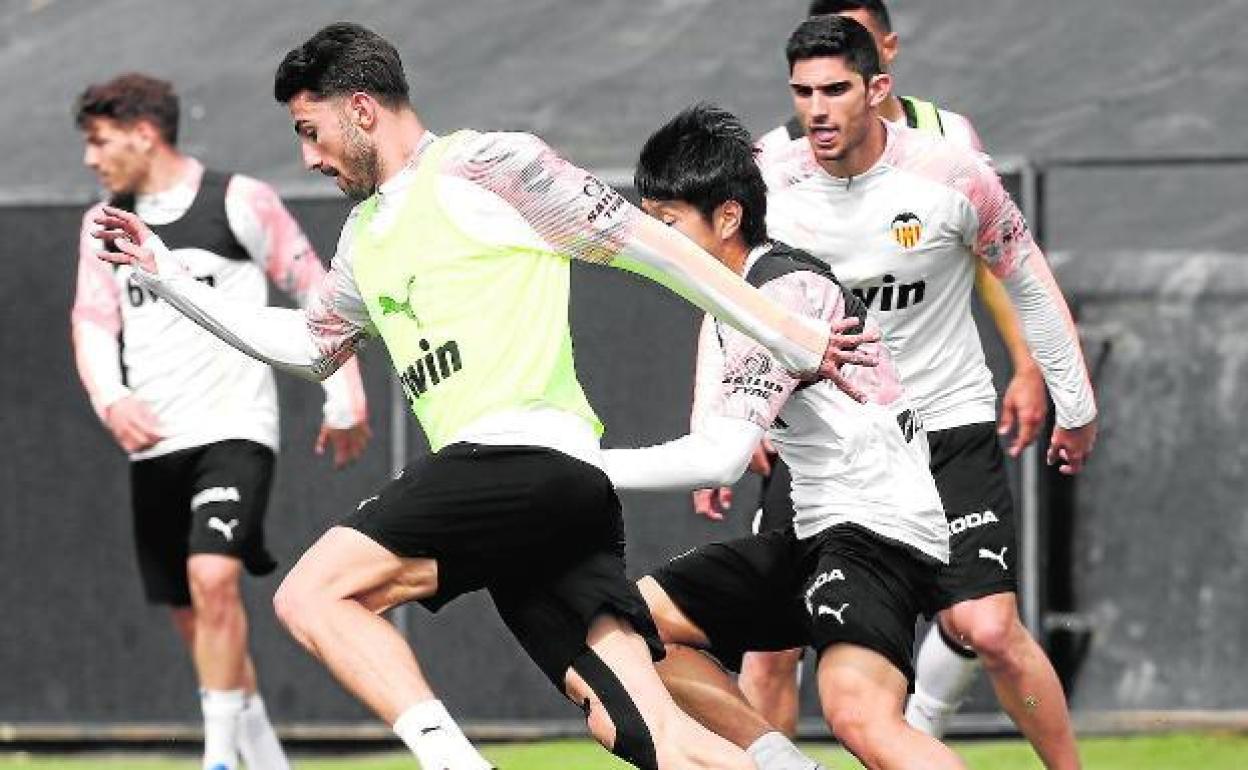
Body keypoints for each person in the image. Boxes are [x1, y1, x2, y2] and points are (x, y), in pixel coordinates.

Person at [90, 23, 876, 770]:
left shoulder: (489, 167)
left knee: (312, 595)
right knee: (651, 735)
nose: (310, 156)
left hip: (517, 464)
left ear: (361, 109)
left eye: (311, 129)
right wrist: (167, 277)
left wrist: (791, 335)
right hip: (548, 507)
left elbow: (657, 247)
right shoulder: (364, 240)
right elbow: (309, 350)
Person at [757, 15, 1097, 770]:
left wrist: (1071, 402)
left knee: (992, 630)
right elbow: (728, 298)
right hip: (824, 442)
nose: (817, 109)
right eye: (802, 92)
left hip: (944, 427)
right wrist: (733, 414)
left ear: (879, 86)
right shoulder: (766, 177)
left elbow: (1028, 281)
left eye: (835, 90)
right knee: (770, 646)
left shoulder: (950, 169)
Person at [604, 101, 966, 770]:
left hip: (878, 529)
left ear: (728, 217)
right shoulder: (733, 295)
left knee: (857, 713)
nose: (654, 240)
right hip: (817, 529)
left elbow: (720, 458)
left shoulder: (782, 293)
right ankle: (780, 762)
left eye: (668, 222)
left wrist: (584, 465)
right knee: (632, 624)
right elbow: (723, 408)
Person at [70, 73, 371, 770]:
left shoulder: (239, 200)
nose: (91, 159)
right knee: (198, 617)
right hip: (154, 444)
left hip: (235, 429)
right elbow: (90, 322)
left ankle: (216, 761)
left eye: (100, 142)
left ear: (144, 134)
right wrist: (112, 398)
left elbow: (319, 292)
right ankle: (266, 761)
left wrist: (343, 394)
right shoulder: (103, 224)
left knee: (213, 579)